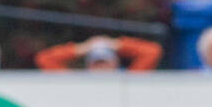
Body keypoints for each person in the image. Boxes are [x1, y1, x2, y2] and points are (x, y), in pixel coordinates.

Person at [34, 35, 162, 71]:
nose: (101, 68)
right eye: (97, 63)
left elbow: (152, 51)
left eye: (105, 62)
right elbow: (44, 59)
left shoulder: (129, 81)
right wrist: (82, 48)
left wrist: (116, 44)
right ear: (88, 66)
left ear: (115, 63)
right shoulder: (77, 84)